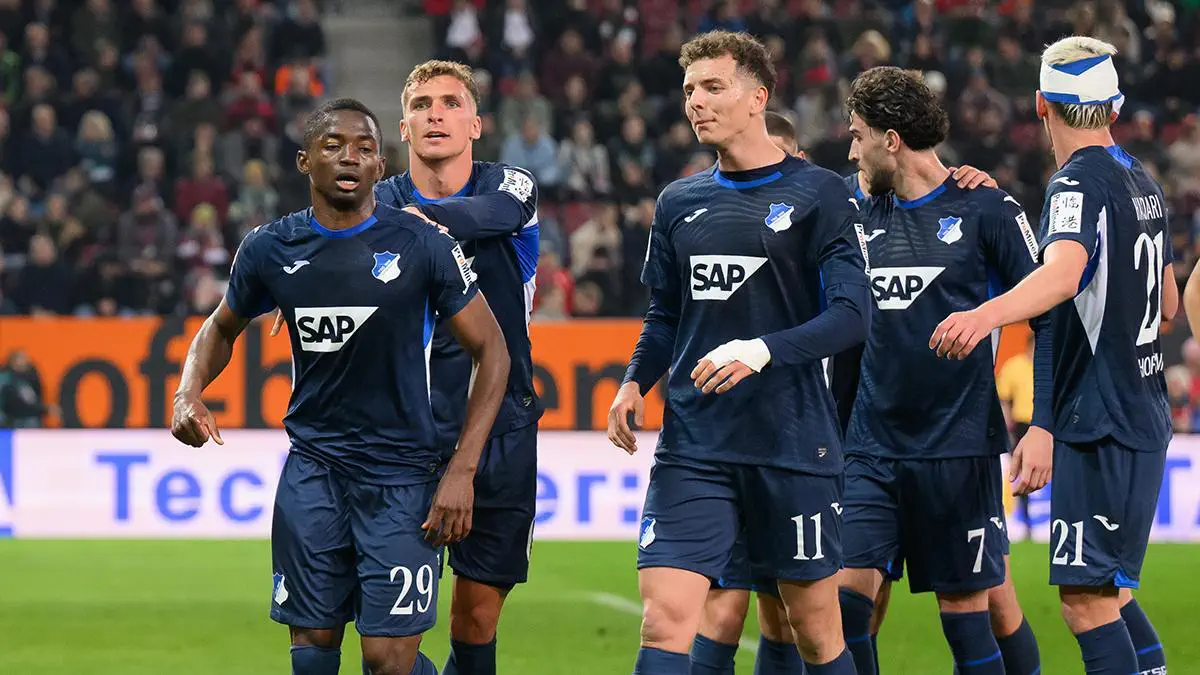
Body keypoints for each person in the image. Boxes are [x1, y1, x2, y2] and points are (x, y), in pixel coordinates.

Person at [171, 98, 512, 675]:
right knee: (311, 652)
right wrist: (188, 391)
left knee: (387, 661)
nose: (350, 157)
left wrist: (462, 468)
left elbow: (493, 350)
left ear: (380, 166)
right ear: (305, 160)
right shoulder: (270, 248)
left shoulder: (424, 244)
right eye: (333, 145)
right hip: (313, 474)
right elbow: (220, 326)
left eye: (365, 148)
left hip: (402, 478)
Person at [608, 31, 870, 675]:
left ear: (758, 97)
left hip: (791, 444)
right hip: (695, 446)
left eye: (713, 87)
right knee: (665, 618)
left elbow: (852, 316)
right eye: (689, 90)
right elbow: (665, 315)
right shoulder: (679, 201)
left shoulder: (820, 194)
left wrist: (762, 351)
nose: (696, 101)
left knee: (815, 632)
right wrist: (634, 381)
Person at [270, 61, 541, 675]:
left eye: (450, 103)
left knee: (475, 619)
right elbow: (320, 247)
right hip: (403, 439)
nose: (435, 114)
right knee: (388, 644)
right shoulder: (379, 200)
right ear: (403, 128)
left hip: (499, 426)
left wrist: (417, 223)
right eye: (421, 105)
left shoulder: (511, 186)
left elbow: (492, 215)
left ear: (476, 123)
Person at [931, 36, 1173, 675]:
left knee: (1086, 604)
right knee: (1111, 591)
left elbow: (1064, 274)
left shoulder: (1075, 182)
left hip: (1101, 417)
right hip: (1143, 409)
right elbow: (1169, 303)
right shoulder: (1142, 180)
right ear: (1114, 106)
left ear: (1041, 103)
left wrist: (986, 313)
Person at [835, 66, 1048, 675]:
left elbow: (1051, 317)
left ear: (890, 139)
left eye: (857, 136)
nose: (851, 151)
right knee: (843, 609)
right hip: (870, 447)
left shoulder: (987, 209)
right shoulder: (853, 210)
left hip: (957, 449)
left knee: (970, 617)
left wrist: (1045, 423)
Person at [689, 108, 807, 675]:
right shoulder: (709, 213)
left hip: (806, 441)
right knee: (724, 605)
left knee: (795, 613)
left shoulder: (827, 213)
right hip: (729, 440)